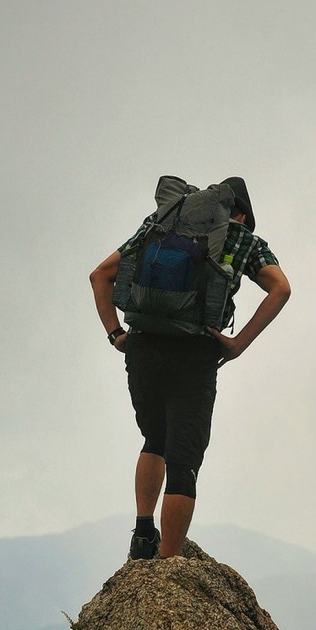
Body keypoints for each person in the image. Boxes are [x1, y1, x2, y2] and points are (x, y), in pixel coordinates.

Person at [89, 177, 290, 559]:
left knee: (154, 440)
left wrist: (115, 334)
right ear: (242, 214)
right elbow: (280, 288)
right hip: (196, 351)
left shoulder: (159, 224)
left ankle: (143, 532)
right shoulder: (242, 238)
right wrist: (237, 344)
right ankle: (169, 566)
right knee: (185, 461)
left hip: (144, 345)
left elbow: (99, 275)